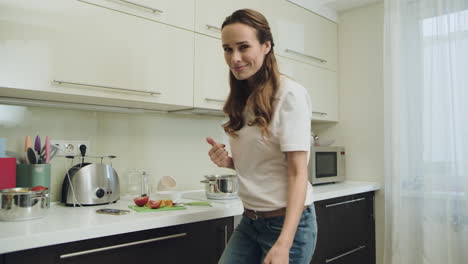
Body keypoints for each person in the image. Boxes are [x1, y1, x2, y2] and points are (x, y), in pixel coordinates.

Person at [206, 9, 317, 264]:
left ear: (266, 45)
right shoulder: (243, 98)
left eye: (243, 47)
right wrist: (230, 162)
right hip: (251, 221)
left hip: (288, 224)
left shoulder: (289, 95)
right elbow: (265, 164)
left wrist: (284, 244)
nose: (235, 58)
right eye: (227, 49)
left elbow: (297, 173)